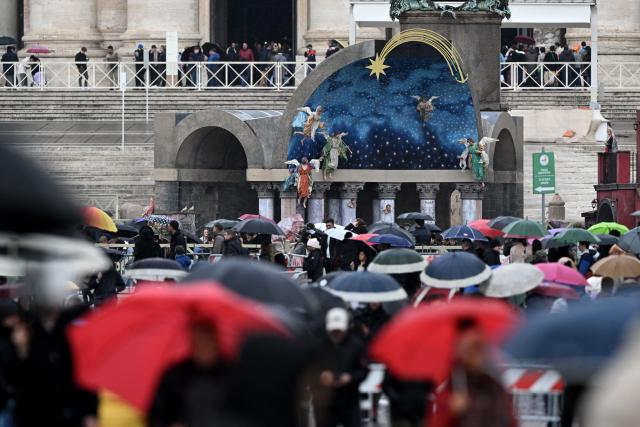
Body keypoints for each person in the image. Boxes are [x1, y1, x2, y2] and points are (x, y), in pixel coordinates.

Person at [427, 318, 517, 427]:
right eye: (469, 349)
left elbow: (509, 419)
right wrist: (450, 411)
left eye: (478, 347)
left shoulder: (493, 383)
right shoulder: (451, 386)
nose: (475, 355)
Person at [148, 323, 235, 427]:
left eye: (207, 341)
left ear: (216, 342)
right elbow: (156, 414)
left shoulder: (233, 375)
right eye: (198, 343)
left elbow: (244, 412)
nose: (203, 347)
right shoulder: (175, 375)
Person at [313, 308, 368, 427]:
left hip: (349, 401)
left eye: (339, 331)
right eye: (333, 331)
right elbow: (308, 368)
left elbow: (364, 370)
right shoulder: (318, 345)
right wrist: (320, 376)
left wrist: (350, 377)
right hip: (325, 402)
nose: (336, 334)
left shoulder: (356, 345)